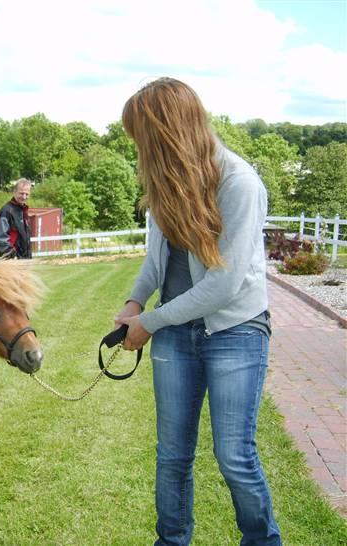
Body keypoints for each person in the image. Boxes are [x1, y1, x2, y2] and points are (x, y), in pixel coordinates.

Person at [114, 78, 281, 545]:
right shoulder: (164, 185)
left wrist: (148, 322)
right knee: (172, 456)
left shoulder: (239, 183)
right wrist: (134, 302)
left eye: (140, 139)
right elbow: (156, 261)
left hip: (236, 333)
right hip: (174, 335)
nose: (137, 150)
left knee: (234, 456)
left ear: (165, 133)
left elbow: (223, 286)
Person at [0, 178, 32, 259]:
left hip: (25, 258)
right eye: (21, 193)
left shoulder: (23, 210)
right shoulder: (7, 210)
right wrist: (10, 255)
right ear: (14, 192)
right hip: (12, 260)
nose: (24, 197)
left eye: (27, 194)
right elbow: (1, 237)